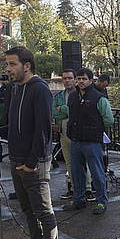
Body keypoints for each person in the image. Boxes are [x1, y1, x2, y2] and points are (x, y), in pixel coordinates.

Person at [0, 46, 58, 239]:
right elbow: (17, 125)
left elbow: (42, 130)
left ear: (26, 65)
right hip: (17, 159)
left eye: (11, 64)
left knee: (43, 211)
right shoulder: (16, 89)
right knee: (28, 210)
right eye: (6, 64)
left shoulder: (39, 89)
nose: (7, 69)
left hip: (34, 162)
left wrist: (31, 163)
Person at [63, 68, 114, 214]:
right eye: (78, 79)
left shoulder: (99, 98)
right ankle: (78, 199)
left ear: (91, 80)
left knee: (97, 172)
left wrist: (95, 130)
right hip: (76, 140)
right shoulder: (73, 97)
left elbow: (109, 119)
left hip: (92, 141)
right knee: (76, 172)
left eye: (84, 79)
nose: (80, 82)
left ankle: (101, 202)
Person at [52, 68, 77, 200]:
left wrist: (62, 108)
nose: (67, 81)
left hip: (78, 133)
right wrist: (67, 112)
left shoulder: (80, 94)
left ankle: (88, 188)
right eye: (65, 78)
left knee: (81, 162)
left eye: (70, 78)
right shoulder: (59, 96)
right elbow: (54, 113)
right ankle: (73, 188)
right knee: (69, 162)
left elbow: (77, 112)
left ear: (75, 79)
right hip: (63, 132)